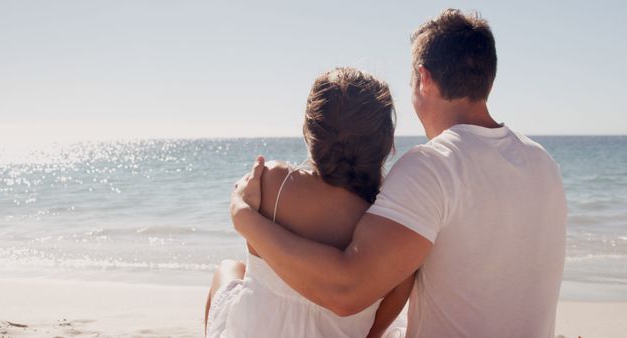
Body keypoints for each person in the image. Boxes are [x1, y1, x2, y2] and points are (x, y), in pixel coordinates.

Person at [231, 9, 567, 338]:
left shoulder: (434, 165)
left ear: (423, 78)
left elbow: (346, 291)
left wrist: (244, 217)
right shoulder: (542, 162)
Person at [206, 67, 415, 338]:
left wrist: (242, 211)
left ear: (309, 132)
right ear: (386, 142)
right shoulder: (389, 225)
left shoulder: (272, 181)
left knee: (228, 269)